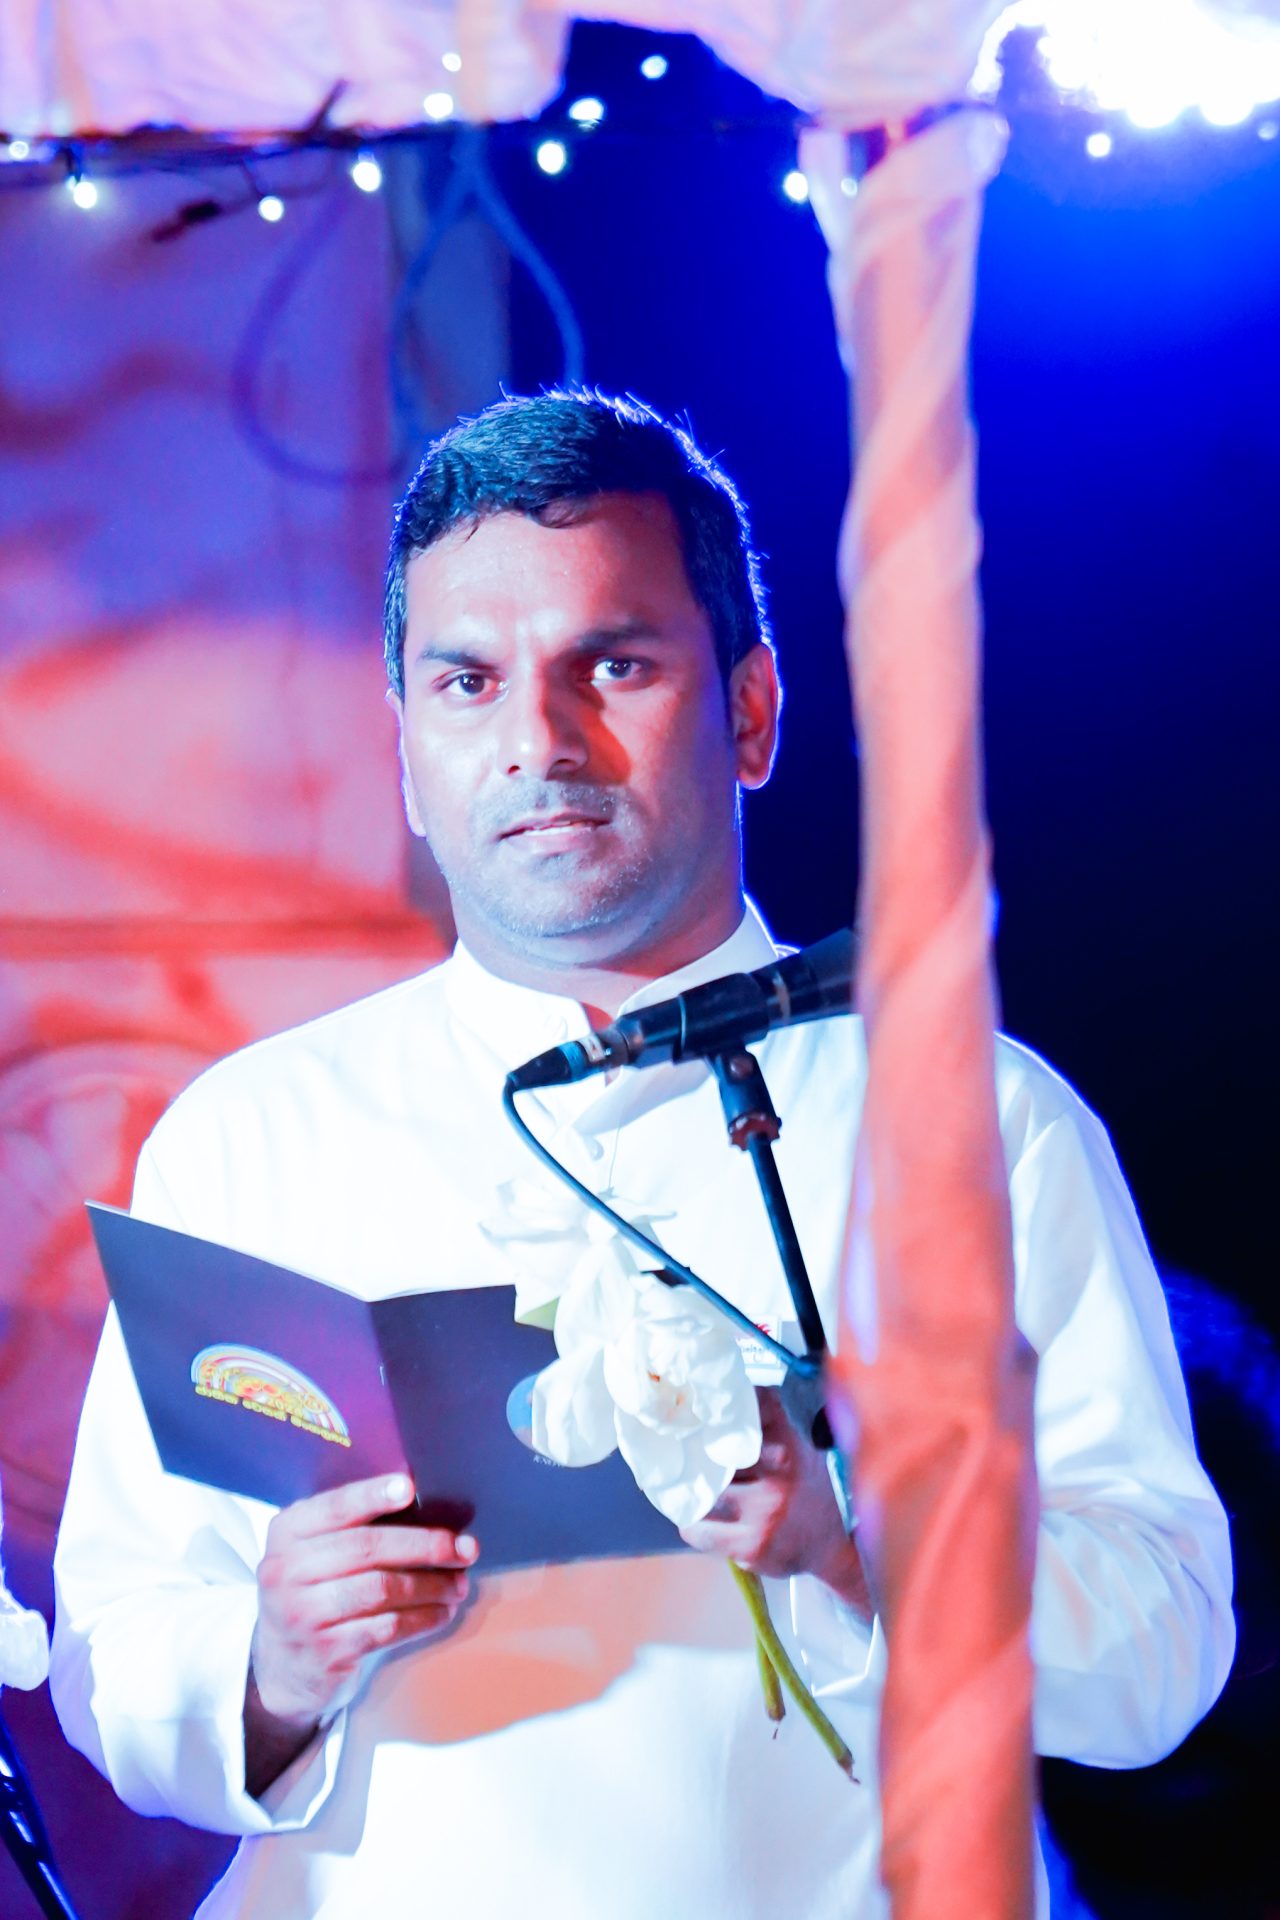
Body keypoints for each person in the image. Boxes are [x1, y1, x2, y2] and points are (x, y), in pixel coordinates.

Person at [51, 391, 1234, 1920]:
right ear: (407, 748)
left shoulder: (973, 1124)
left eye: (613, 665)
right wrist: (273, 1660)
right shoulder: (259, 1131)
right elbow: (122, 1655)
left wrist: (857, 1540)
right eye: (466, 682)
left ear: (750, 710)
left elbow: (1165, 1655)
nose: (538, 741)